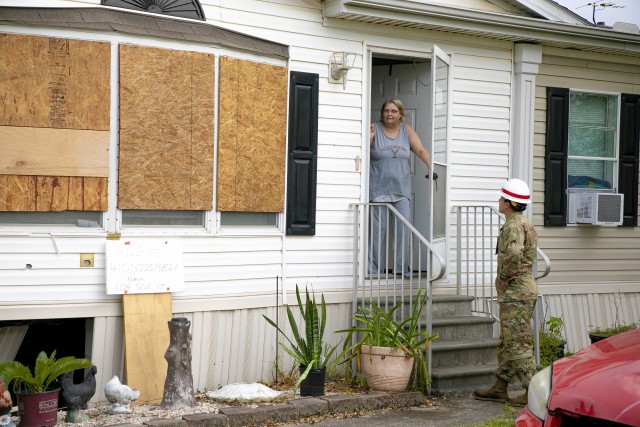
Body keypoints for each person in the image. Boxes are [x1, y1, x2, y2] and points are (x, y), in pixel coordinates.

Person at [473, 178, 538, 407]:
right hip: (522, 289)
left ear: (509, 203)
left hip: (516, 291)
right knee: (509, 341)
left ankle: (533, 392)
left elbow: (513, 255)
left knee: (518, 343)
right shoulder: (524, 223)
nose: (499, 201)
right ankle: (500, 388)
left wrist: (502, 279)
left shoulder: (512, 226)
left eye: (501, 198)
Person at [368, 98, 430, 276]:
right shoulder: (374, 128)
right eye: (387, 110)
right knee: (377, 232)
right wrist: (370, 138)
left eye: (394, 111)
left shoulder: (406, 130)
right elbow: (361, 152)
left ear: (400, 114)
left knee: (403, 231)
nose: (389, 114)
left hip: (401, 190)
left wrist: (429, 165)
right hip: (378, 189)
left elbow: (420, 149)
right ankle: (374, 271)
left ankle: (402, 269)